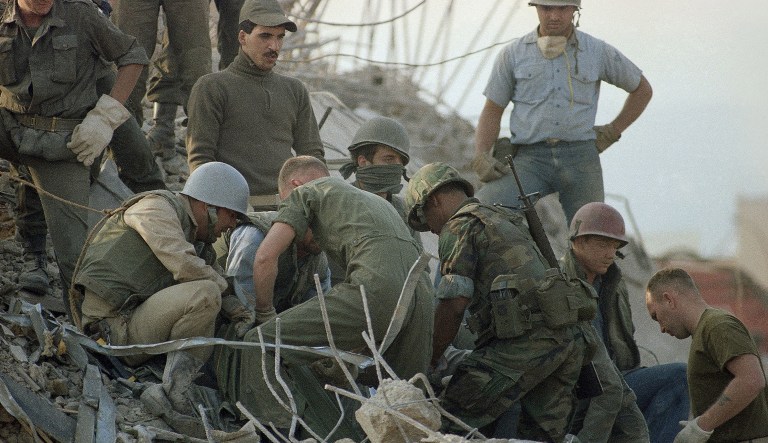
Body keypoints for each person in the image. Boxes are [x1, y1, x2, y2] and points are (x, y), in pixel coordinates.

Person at [213, 156, 434, 429]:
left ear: (295, 187)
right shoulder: (374, 203)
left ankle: (275, 429)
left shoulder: (306, 194)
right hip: (422, 294)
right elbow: (323, 319)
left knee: (260, 341)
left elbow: (264, 258)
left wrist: (265, 316)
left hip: (378, 286)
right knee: (404, 402)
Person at [404, 162, 596, 441]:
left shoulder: (458, 226)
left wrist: (430, 357)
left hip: (525, 343)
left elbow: (454, 304)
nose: (430, 230)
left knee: (448, 418)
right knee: (538, 437)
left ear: (433, 200)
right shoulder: (504, 218)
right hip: (567, 340)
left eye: (425, 218)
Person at [71, 161, 249, 436]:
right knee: (205, 294)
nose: (231, 225)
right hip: (110, 331)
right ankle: (176, 393)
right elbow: (184, 264)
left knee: (211, 292)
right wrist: (223, 290)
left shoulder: (196, 238)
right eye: (232, 215)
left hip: (130, 322)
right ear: (208, 207)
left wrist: (241, 312)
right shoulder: (156, 208)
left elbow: (213, 275)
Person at [0, 0, 148, 316]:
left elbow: (133, 55)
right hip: (8, 125)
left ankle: (85, 322)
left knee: (74, 256)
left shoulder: (79, 14)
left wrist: (105, 117)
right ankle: (32, 254)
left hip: (58, 142)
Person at [471, 0, 652, 225]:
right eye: (547, 8)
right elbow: (492, 109)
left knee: (593, 230)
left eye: (563, 8)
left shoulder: (596, 51)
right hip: (529, 159)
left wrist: (612, 132)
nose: (554, 16)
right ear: (536, 8)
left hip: (581, 158)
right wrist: (481, 155)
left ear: (575, 10)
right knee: (479, 214)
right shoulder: (513, 54)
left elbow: (642, 90)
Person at [187, 0, 324, 210]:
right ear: (243, 37)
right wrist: (222, 212)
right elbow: (201, 161)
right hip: (235, 212)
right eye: (265, 36)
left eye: (280, 37)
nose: (274, 47)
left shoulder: (295, 90)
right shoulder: (212, 87)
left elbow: (312, 157)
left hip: (288, 211)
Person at [562, 202, 661, 442]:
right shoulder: (557, 283)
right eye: (602, 244)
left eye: (615, 246)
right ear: (578, 241)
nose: (610, 254)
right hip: (577, 385)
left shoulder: (614, 284)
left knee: (675, 379)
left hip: (617, 376)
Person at [645, 268, 768, 443]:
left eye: (656, 316)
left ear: (669, 300)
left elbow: (752, 380)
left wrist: (702, 426)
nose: (662, 328)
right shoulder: (705, 330)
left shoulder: (718, 325)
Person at [217, 209, 331, 314]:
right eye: (319, 228)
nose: (324, 236)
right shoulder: (254, 235)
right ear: (302, 222)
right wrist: (264, 318)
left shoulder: (318, 261)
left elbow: (319, 311)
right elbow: (242, 300)